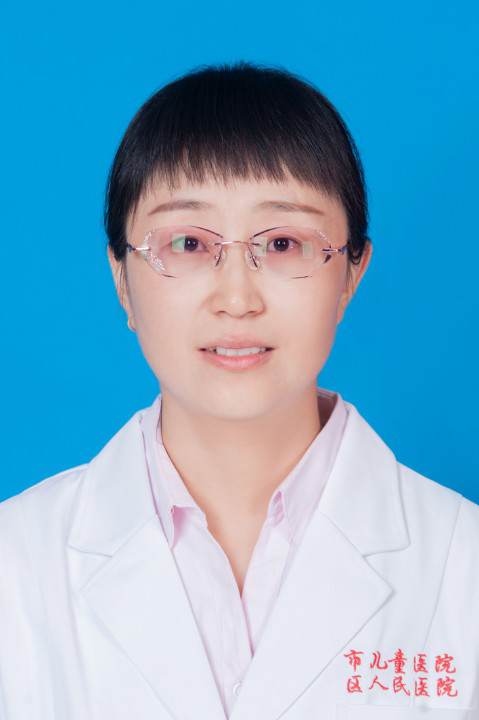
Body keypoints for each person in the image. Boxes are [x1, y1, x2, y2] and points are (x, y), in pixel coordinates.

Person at [0, 61, 478, 720]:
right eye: (188, 243)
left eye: (281, 243)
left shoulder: (462, 564)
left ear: (350, 275)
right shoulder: (16, 563)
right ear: (121, 279)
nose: (235, 297)